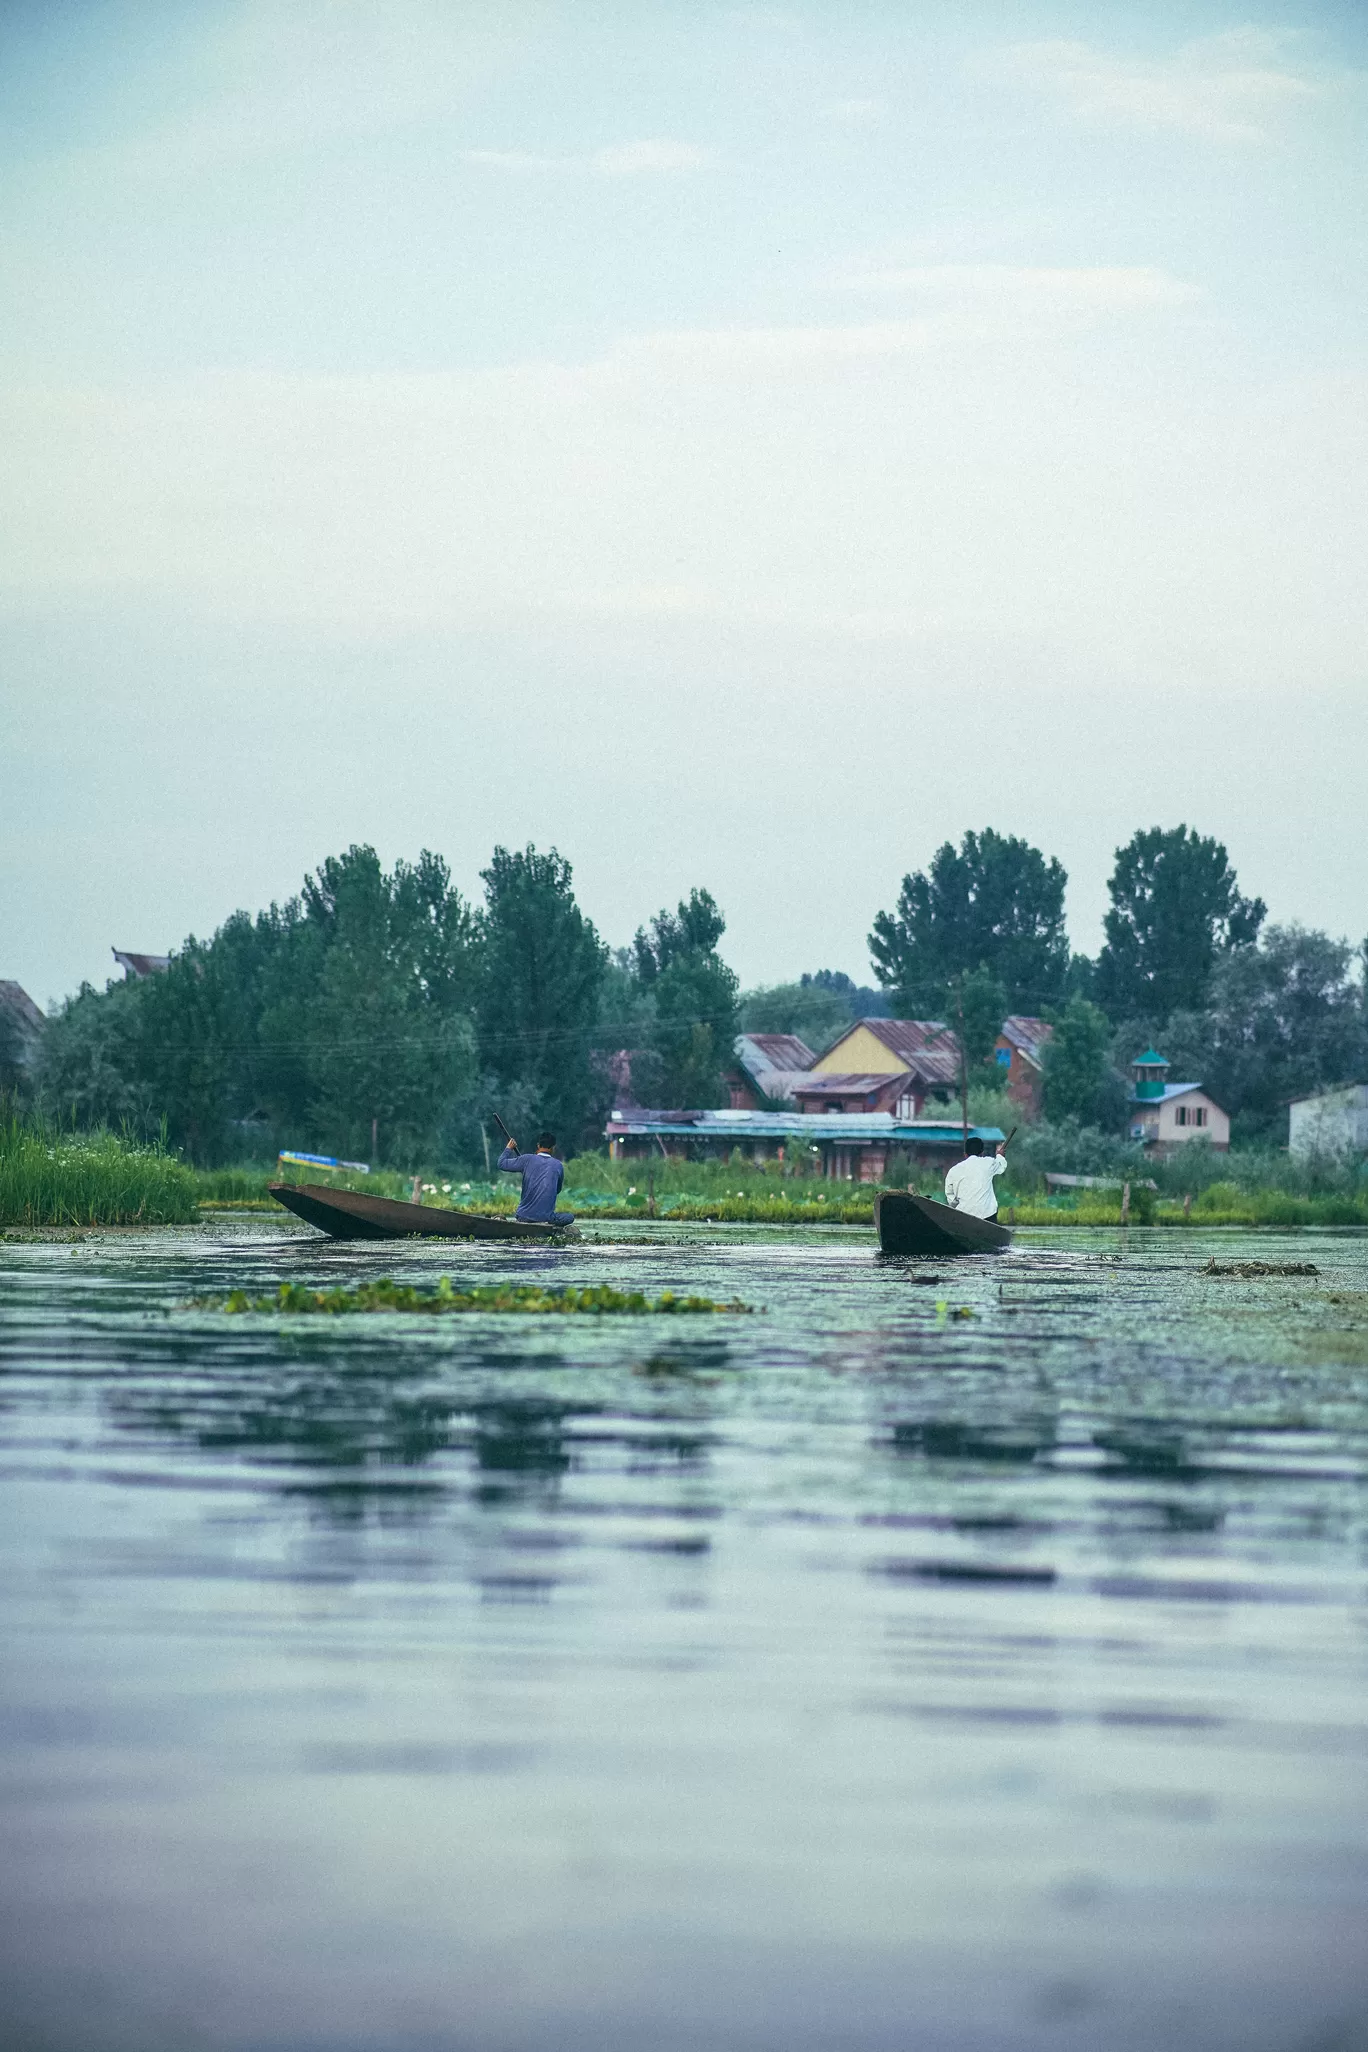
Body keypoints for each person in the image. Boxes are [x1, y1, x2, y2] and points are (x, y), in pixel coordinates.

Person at [497, 1130, 576, 1226]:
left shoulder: (526, 1159)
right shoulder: (558, 1165)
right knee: (569, 1217)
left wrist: (508, 1148)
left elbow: (501, 1163)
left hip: (523, 1216)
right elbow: (557, 1190)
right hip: (546, 1218)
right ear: (553, 1148)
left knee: (567, 1217)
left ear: (538, 1145)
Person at [943, 1135, 1007, 1221]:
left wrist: (957, 1206)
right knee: (991, 1210)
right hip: (988, 1216)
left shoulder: (953, 1170)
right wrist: (1000, 1156)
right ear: (982, 1153)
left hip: (963, 1217)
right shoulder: (988, 1163)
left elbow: (950, 1197)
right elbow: (1001, 1165)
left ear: (965, 1154)